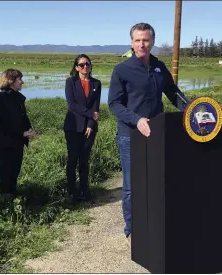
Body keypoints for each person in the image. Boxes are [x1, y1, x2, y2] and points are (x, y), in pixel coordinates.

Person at [108, 23, 188, 242]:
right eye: (137, 40)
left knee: (156, 180)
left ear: (152, 42)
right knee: (132, 185)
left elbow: (173, 93)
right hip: (129, 135)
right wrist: (137, 119)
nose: (141, 44)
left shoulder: (159, 67)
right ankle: (132, 229)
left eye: (146, 40)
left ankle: (155, 222)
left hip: (157, 132)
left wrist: (190, 110)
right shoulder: (122, 70)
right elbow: (114, 104)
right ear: (131, 43)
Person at [63, 54, 102, 203]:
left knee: (84, 160)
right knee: (72, 159)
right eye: (81, 65)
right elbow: (71, 104)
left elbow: (96, 106)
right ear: (76, 67)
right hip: (73, 127)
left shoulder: (96, 84)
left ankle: (84, 191)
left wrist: (91, 124)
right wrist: (90, 114)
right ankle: (72, 192)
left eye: (87, 64)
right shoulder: (70, 82)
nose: (85, 67)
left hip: (89, 128)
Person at [0, 68, 36, 196]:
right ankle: (3, 203)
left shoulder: (19, 98)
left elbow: (23, 118)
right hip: (5, 142)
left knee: (14, 172)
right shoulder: (0, 98)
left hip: (17, 142)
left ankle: (12, 199)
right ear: (11, 81)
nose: (22, 82)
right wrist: (22, 133)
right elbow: (2, 122)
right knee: (4, 173)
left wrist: (29, 130)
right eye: (19, 79)